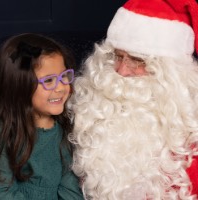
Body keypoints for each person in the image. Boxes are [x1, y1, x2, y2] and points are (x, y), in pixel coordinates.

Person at [68, 0, 198, 199]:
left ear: (172, 72)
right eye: (118, 56)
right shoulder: (88, 119)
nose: (121, 71)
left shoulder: (190, 142)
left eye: (137, 60)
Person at [0, 33, 84, 200]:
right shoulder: (5, 133)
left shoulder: (66, 129)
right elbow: (2, 191)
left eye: (64, 76)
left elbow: (70, 187)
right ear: (20, 85)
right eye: (49, 80)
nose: (60, 87)